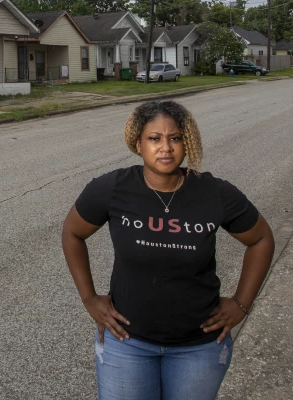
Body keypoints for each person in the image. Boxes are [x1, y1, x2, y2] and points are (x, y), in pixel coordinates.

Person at [61, 100, 274, 400]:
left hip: (198, 347)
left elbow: (261, 238)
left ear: (186, 143)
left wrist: (241, 304)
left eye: (174, 138)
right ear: (138, 143)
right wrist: (89, 298)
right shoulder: (112, 189)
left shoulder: (214, 193)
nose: (166, 148)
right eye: (154, 138)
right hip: (127, 343)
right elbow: (72, 232)